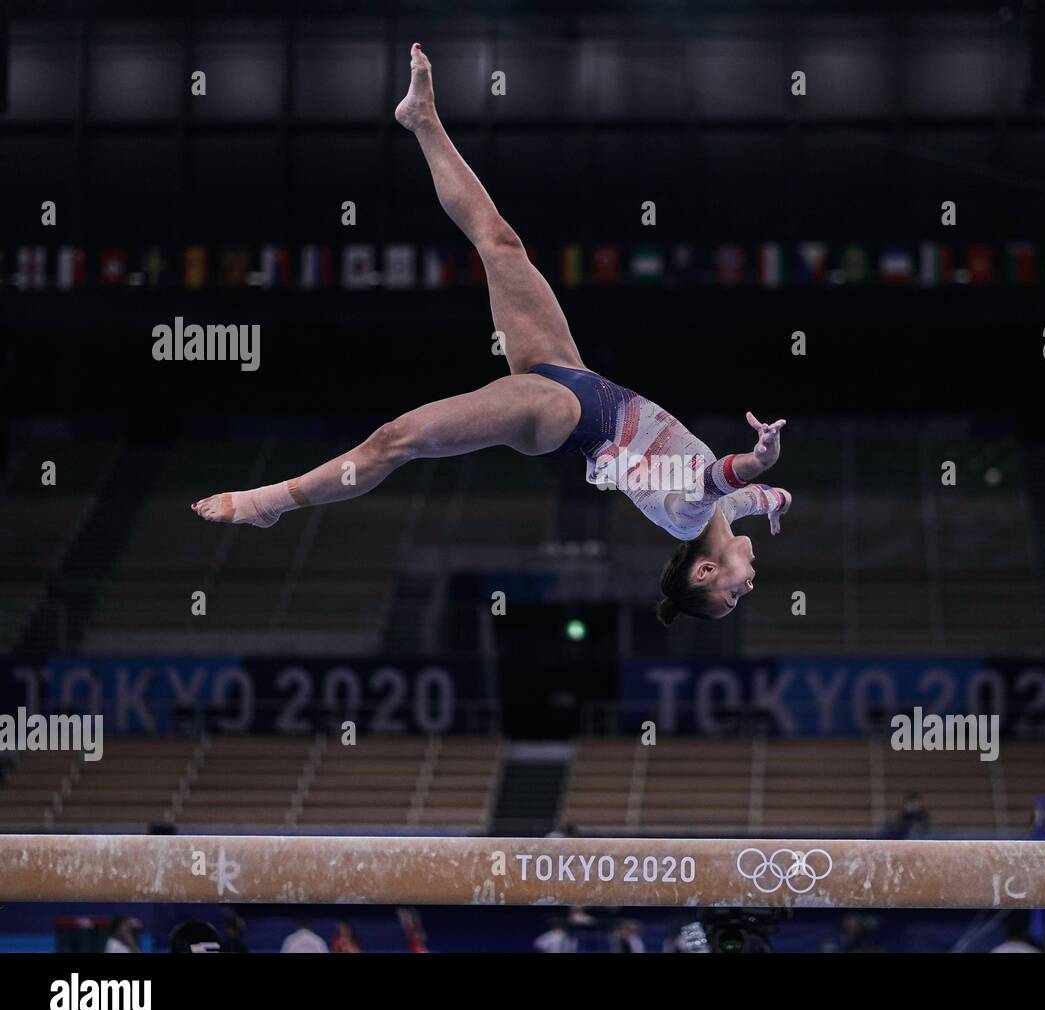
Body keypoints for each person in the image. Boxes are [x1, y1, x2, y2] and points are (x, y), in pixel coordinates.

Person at [192, 43, 792, 625]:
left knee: (397, 438)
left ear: (703, 573)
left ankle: (266, 504)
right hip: (574, 375)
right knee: (500, 242)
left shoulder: (688, 518)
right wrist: (775, 499)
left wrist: (759, 459)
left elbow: (719, 478)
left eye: (732, 597)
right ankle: (422, 120)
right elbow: (753, 497)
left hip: (565, 416)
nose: (749, 589)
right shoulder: (723, 516)